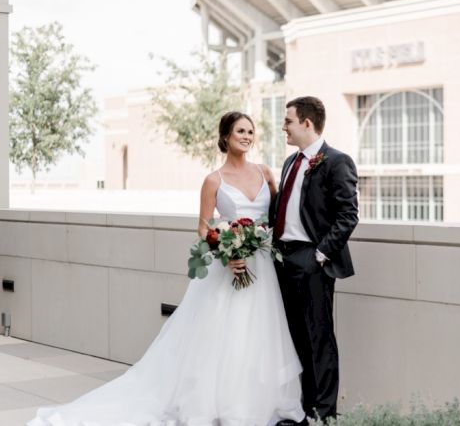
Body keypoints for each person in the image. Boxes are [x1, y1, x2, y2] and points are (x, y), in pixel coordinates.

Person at [28, 112, 306, 426]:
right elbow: (203, 228)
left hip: (262, 268)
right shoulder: (213, 180)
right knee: (222, 338)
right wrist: (227, 251)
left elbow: (275, 216)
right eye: (240, 131)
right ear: (226, 136)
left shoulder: (265, 172)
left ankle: (256, 402)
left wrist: (261, 241)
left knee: (259, 335)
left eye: (250, 131)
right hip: (228, 267)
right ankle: (219, 405)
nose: (246, 136)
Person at [270, 96, 359, 425]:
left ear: (307, 123)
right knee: (296, 340)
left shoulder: (337, 161)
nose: (284, 127)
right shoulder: (289, 163)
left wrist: (320, 254)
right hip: (284, 259)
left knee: (318, 339)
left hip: (313, 259)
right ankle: (305, 411)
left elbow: (348, 216)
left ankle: (324, 415)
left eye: (288, 121)